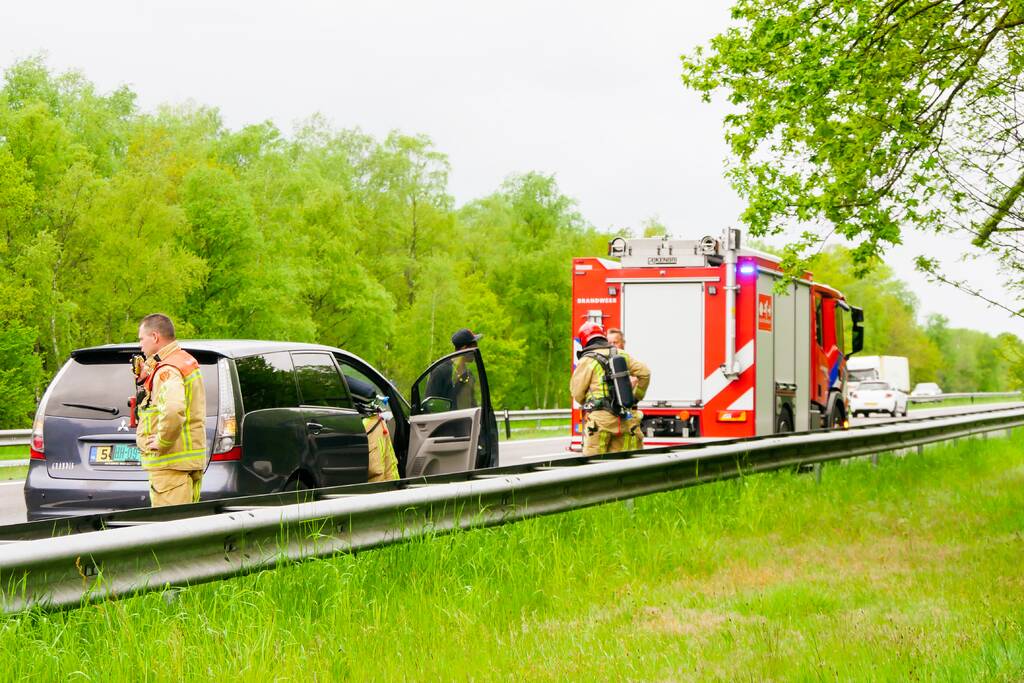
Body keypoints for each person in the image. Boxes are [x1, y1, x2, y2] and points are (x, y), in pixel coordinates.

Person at [135, 313, 207, 506]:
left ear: (155, 337)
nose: (140, 345)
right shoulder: (184, 361)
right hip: (185, 462)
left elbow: (174, 409)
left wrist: (162, 440)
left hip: (171, 467)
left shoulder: (167, 370)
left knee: (170, 529)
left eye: (142, 339)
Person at [570, 321, 650, 456]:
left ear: (584, 341)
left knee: (595, 466)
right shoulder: (621, 354)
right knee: (622, 465)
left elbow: (576, 392)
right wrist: (636, 397)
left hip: (600, 422)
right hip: (625, 419)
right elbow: (645, 373)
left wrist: (589, 403)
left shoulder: (587, 360)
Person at [606, 327, 645, 450]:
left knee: (633, 443)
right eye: (610, 343)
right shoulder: (603, 362)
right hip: (610, 415)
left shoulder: (630, 362)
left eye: (615, 342)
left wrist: (635, 397)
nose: (612, 346)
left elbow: (645, 374)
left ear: (623, 343)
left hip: (628, 414)